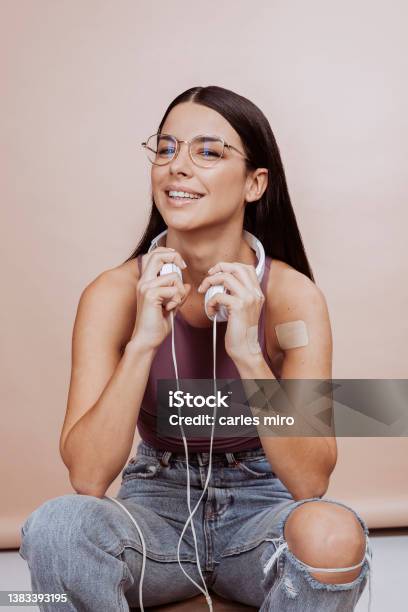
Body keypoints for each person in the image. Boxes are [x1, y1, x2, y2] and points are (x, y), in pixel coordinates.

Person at [19, 85, 372, 611]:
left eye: (207, 152)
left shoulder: (292, 297)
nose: (176, 167)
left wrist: (249, 353)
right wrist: (143, 343)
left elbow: (310, 480)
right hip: (154, 515)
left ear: (255, 183)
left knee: (332, 533)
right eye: (166, 149)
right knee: (56, 527)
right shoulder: (113, 295)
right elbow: (88, 477)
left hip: (262, 509)